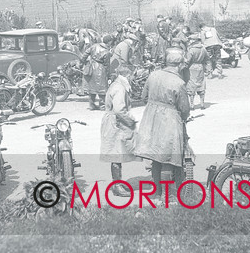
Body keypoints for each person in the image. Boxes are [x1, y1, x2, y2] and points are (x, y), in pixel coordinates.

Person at [132, 47, 192, 202]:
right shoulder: (179, 82)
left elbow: (143, 96)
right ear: (179, 64)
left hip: (151, 118)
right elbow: (184, 108)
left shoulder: (153, 75)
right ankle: (167, 194)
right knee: (168, 157)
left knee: (156, 156)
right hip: (170, 119)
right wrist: (183, 116)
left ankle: (157, 192)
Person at [101, 64, 138, 198]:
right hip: (115, 123)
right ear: (128, 75)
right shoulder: (120, 88)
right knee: (116, 154)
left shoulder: (117, 84)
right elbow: (119, 109)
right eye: (133, 75)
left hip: (113, 121)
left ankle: (118, 183)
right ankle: (117, 186)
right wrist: (130, 122)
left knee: (118, 153)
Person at [82, 34, 112, 110]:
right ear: (108, 42)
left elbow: (86, 53)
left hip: (91, 67)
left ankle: (91, 105)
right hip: (100, 70)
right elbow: (107, 65)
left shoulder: (94, 46)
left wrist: (83, 61)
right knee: (102, 88)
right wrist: (108, 75)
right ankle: (102, 106)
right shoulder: (107, 52)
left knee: (91, 88)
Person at [185, 34, 210, 110]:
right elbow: (207, 59)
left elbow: (187, 60)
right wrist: (208, 68)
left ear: (192, 40)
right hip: (200, 67)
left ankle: (192, 105)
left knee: (191, 86)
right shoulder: (203, 49)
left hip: (191, 68)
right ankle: (202, 104)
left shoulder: (191, 50)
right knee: (201, 85)